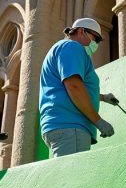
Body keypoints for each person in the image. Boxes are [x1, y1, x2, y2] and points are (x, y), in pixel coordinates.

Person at [39, 17, 119, 157]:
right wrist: (98, 121)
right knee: (70, 178)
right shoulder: (72, 47)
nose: (96, 44)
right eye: (96, 39)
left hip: (60, 125)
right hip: (71, 126)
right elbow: (74, 86)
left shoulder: (61, 48)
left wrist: (103, 97)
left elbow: (68, 86)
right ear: (82, 31)